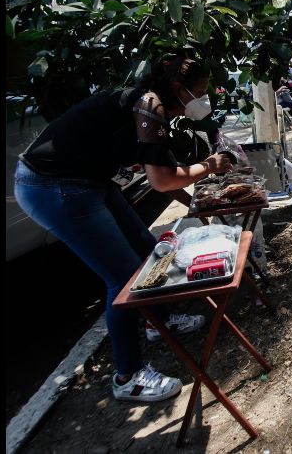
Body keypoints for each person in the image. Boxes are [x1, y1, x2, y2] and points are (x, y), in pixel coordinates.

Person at [14, 56, 237, 402]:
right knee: (124, 278)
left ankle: (157, 322)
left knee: (151, 251)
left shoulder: (150, 106)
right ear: (179, 88)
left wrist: (195, 203)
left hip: (92, 180)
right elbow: (163, 179)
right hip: (53, 185)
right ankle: (128, 376)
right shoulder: (149, 106)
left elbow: (160, 176)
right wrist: (208, 166)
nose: (204, 99)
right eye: (201, 92)